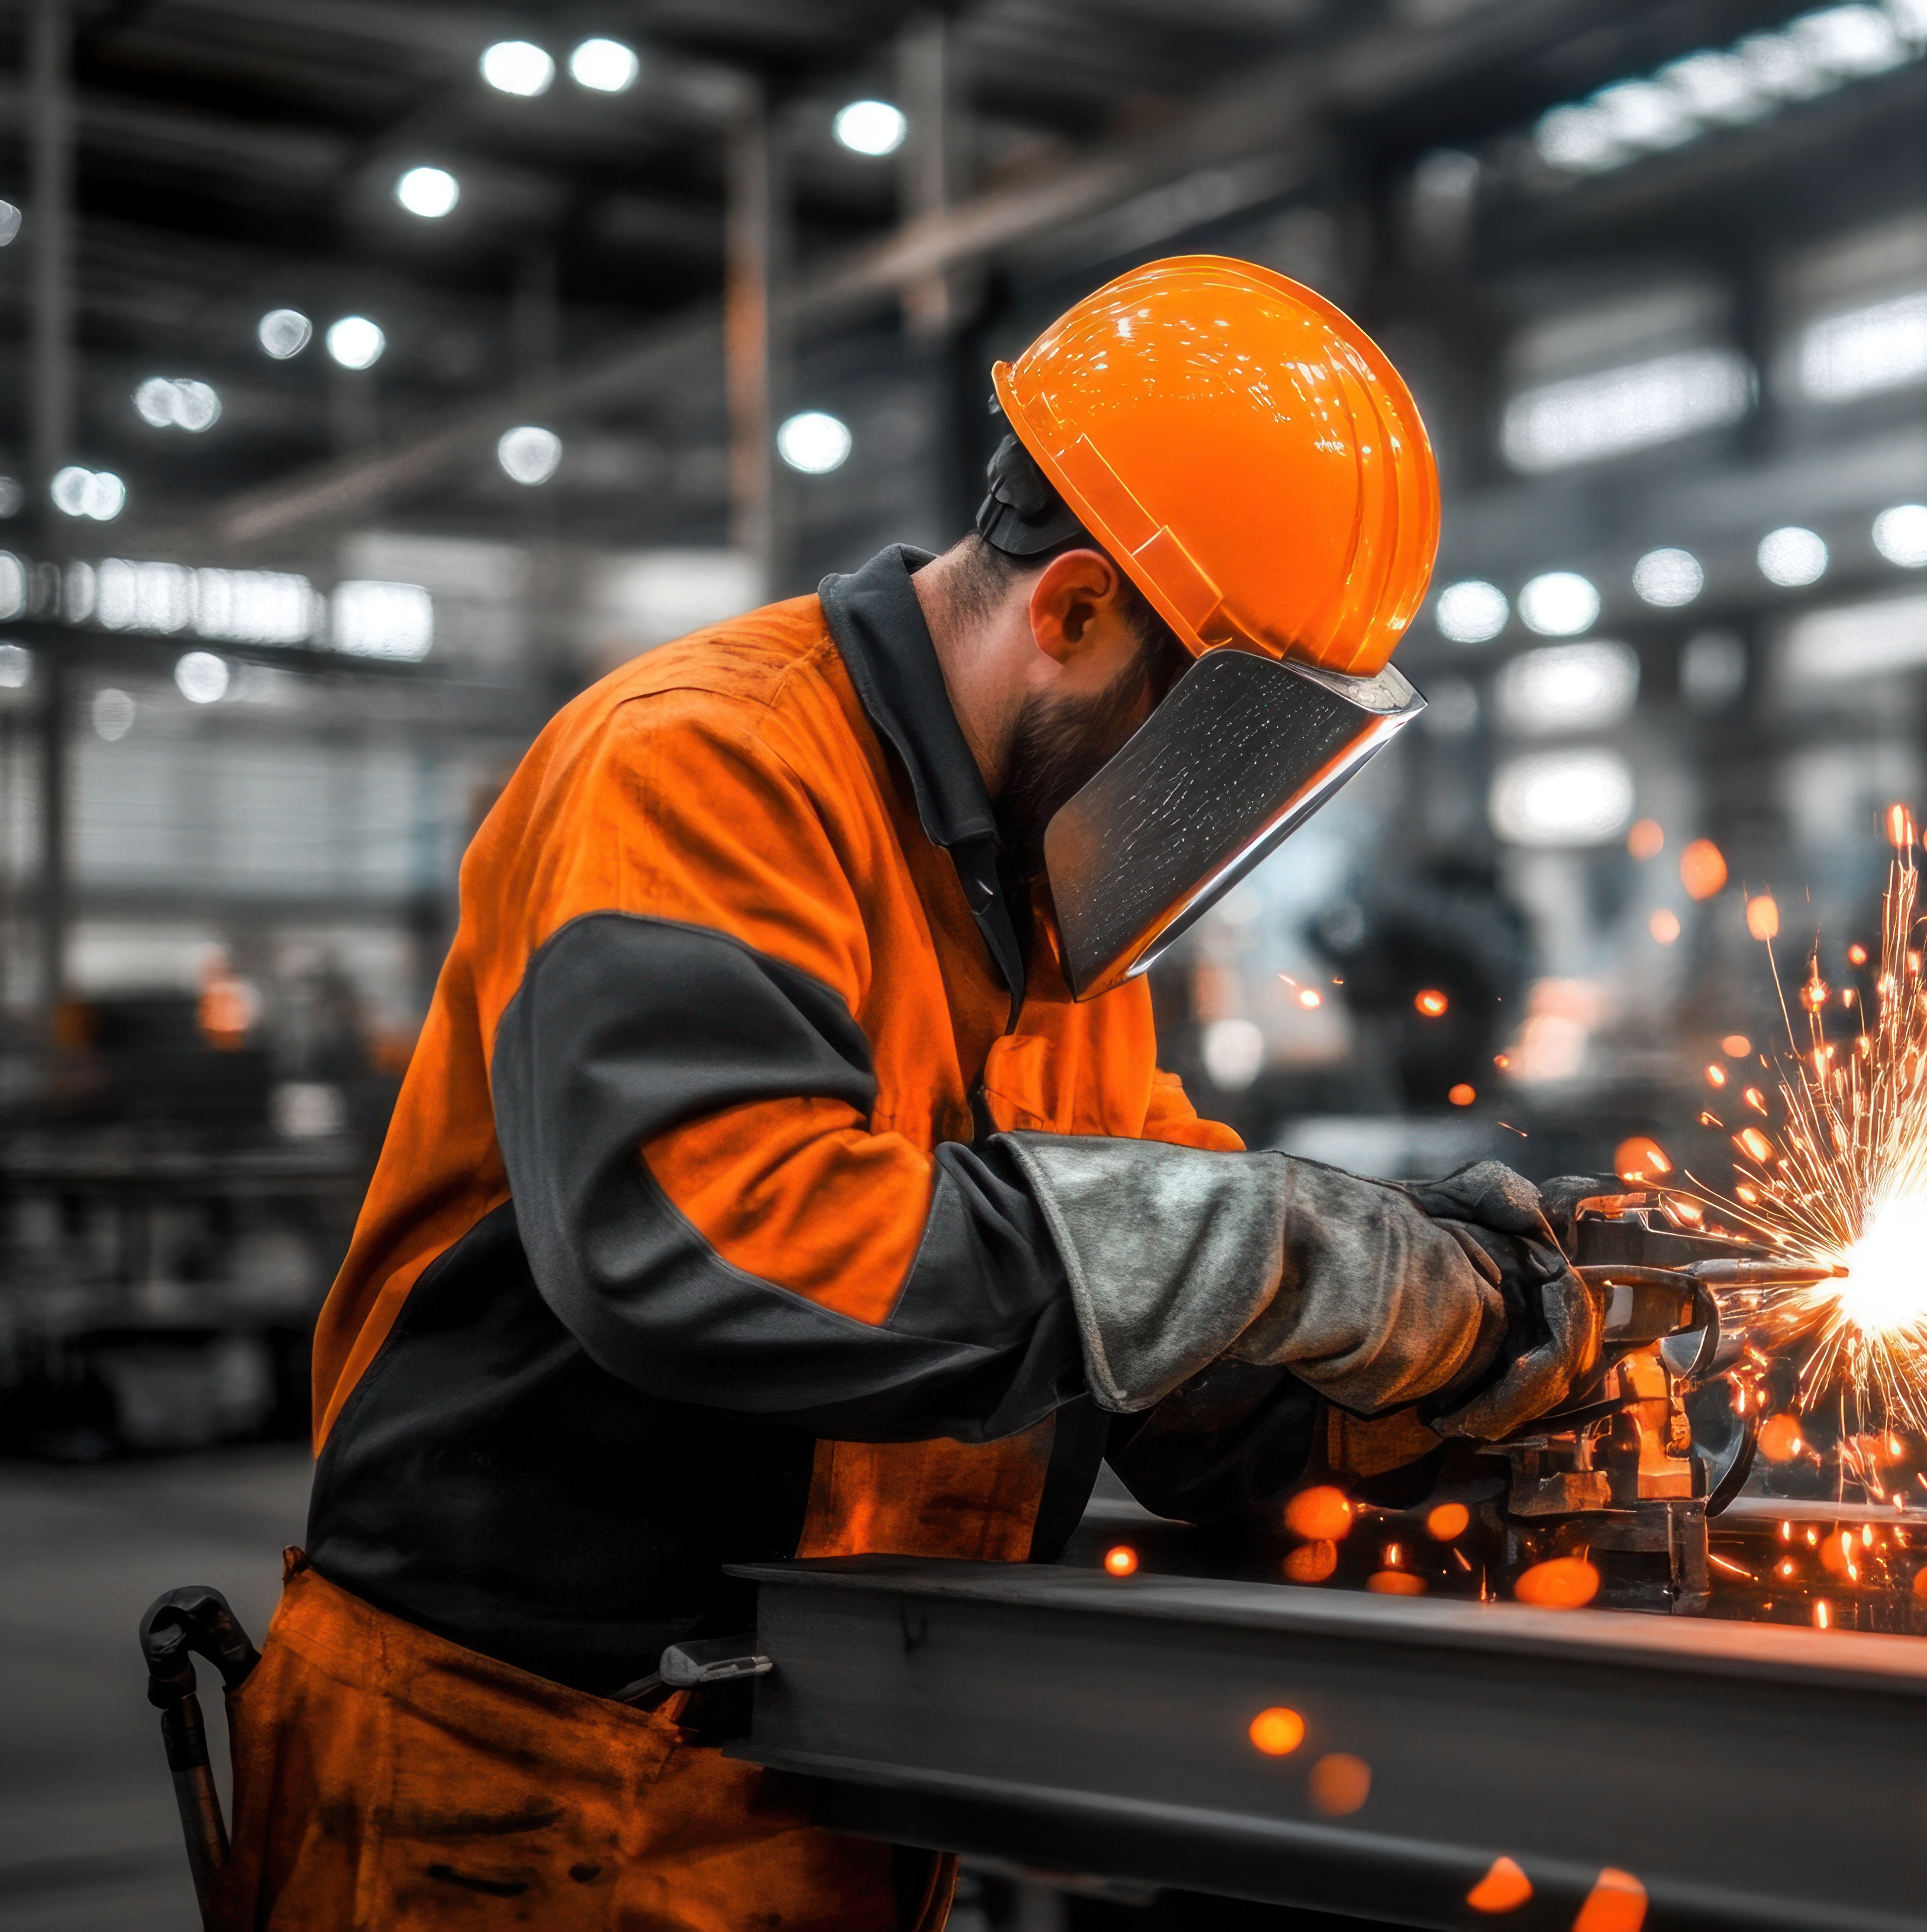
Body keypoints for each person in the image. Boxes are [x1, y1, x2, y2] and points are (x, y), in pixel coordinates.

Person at [208, 256, 1602, 1931]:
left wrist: (1455, 1353)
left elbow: (1153, 1343)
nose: (1218, 811)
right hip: (515, 1790)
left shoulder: (1054, 924)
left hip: (816, 1776)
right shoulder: (702, 764)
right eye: (1213, 740)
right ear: (1076, 608)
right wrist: (1286, 1251)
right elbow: (711, 1245)